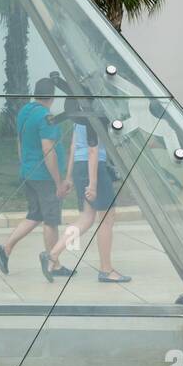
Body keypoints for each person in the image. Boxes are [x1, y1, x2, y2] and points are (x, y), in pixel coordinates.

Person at [43, 100, 132, 283]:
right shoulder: (94, 115)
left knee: (86, 218)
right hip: (94, 167)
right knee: (107, 218)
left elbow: (74, 147)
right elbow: (93, 150)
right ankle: (106, 270)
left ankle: (52, 255)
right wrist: (92, 184)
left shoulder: (80, 116)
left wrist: (69, 177)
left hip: (80, 166)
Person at [0, 77, 70, 279]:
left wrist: (25, 165)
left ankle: (6, 248)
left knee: (35, 215)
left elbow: (20, 142)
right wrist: (58, 181)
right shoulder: (47, 117)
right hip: (45, 178)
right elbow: (48, 150)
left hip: (28, 173)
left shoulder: (25, 112)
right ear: (52, 97)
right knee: (51, 221)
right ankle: (53, 263)